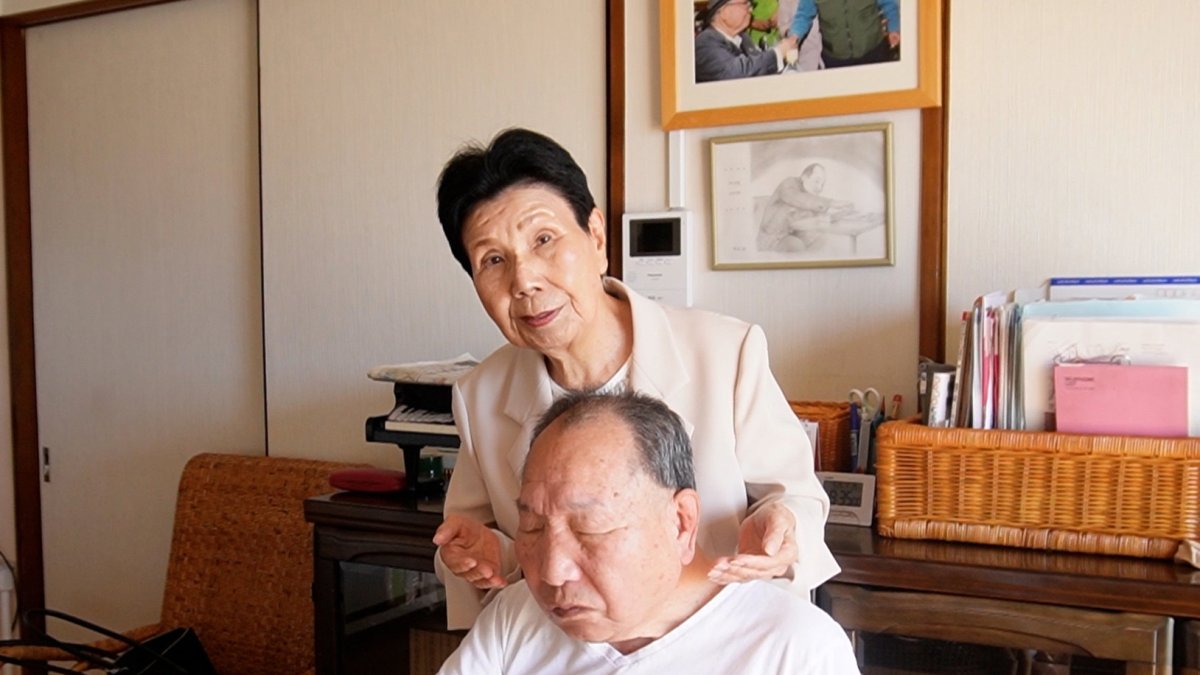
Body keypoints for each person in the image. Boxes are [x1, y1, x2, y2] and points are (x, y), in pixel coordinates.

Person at [432, 127, 839, 629]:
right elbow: (479, 538)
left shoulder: (726, 353)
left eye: (544, 240)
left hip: (717, 642)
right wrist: (485, 553)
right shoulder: (480, 397)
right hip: (572, 652)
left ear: (597, 237)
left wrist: (783, 527)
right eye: (493, 260)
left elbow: (796, 497)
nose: (524, 281)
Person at [437, 391, 860, 674]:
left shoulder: (794, 649)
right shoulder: (515, 617)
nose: (553, 571)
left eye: (589, 527)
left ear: (681, 521)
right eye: (532, 525)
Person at [758, 163, 854, 253]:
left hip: (792, 237)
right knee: (796, 245)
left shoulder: (810, 198)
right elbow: (799, 198)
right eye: (817, 181)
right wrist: (831, 202)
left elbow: (816, 220)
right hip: (772, 240)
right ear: (804, 177)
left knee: (822, 242)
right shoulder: (789, 184)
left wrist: (837, 216)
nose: (819, 187)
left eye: (822, 184)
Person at [694, 0, 798, 83]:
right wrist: (778, 53)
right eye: (745, 3)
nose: (751, 9)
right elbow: (736, 73)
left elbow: (759, 69)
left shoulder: (743, 38)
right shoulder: (705, 43)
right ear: (724, 13)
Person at [788, 0, 900, 68]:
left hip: (874, 54)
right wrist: (794, 37)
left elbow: (889, 4)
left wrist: (894, 29)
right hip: (836, 61)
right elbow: (803, 15)